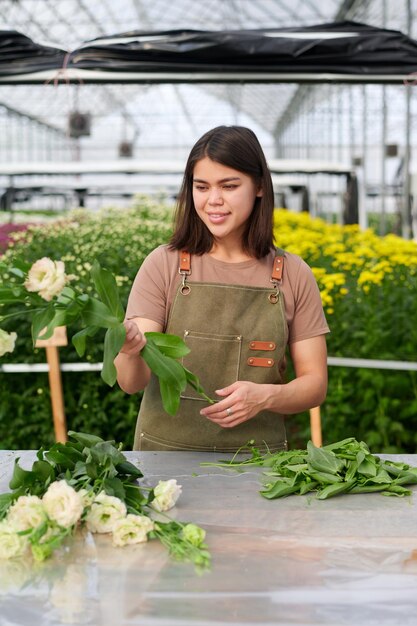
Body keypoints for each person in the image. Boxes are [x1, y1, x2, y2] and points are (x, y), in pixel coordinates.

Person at [114, 125, 329, 452]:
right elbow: (131, 383)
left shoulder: (293, 274)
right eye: (201, 187)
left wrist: (267, 396)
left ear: (259, 186)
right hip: (165, 466)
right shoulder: (164, 264)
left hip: (260, 467)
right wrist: (129, 350)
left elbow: (315, 384)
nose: (214, 200)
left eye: (229, 186)